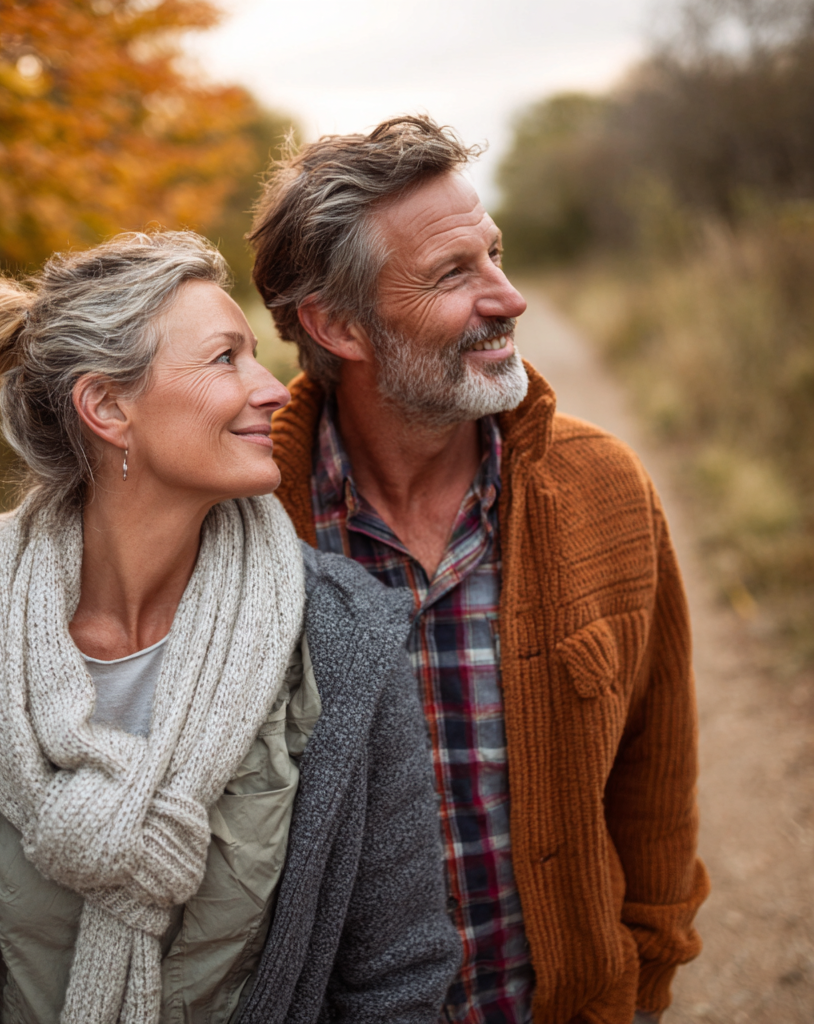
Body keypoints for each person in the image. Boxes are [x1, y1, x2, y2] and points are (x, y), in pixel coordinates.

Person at [0, 231, 461, 1024]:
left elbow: (400, 972)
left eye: (254, 354)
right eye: (225, 359)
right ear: (107, 407)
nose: (273, 388)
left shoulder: (339, 640)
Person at [248, 116, 710, 1024]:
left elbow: (659, 772)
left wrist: (645, 980)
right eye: (454, 274)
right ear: (337, 324)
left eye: (493, 254)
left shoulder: (603, 489)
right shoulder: (244, 522)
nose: (509, 298)